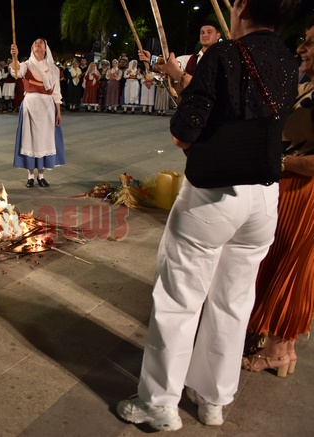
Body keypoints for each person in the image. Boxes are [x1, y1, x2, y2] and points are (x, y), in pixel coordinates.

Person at [116, 0, 299, 431]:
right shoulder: (289, 60)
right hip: (264, 199)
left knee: (179, 299)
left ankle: (160, 402)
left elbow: (183, 133)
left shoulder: (225, 53)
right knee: (234, 302)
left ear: (242, 7)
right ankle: (214, 398)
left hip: (214, 196)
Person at [243, 15, 314, 377]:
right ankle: (282, 346)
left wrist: (279, 160)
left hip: (304, 194)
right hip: (287, 187)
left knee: (290, 270)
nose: (301, 47)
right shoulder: (306, 83)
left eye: (311, 42)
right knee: (283, 266)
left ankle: (277, 352)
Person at [10, 39, 66, 188]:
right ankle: (30, 176)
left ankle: (41, 175)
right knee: (30, 140)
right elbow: (16, 72)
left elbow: (56, 92)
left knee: (44, 140)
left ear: (46, 48)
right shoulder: (26, 65)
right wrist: (14, 57)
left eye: (41, 42)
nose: (37, 44)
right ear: (32, 48)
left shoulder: (53, 69)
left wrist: (58, 112)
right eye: (35, 42)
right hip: (30, 105)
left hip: (47, 107)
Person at [140, 21, 221, 95]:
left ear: (218, 35)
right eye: (202, 32)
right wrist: (150, 60)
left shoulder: (224, 60)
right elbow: (169, 66)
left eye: (209, 32)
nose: (205, 35)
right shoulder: (189, 60)